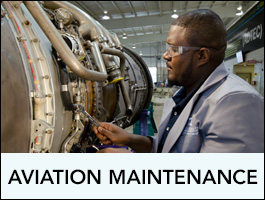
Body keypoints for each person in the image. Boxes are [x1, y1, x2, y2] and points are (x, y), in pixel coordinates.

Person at [93, 9, 264, 153]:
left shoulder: (235, 101)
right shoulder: (185, 95)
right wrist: (130, 139)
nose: (166, 55)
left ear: (202, 56)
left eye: (175, 49)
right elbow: (168, 149)